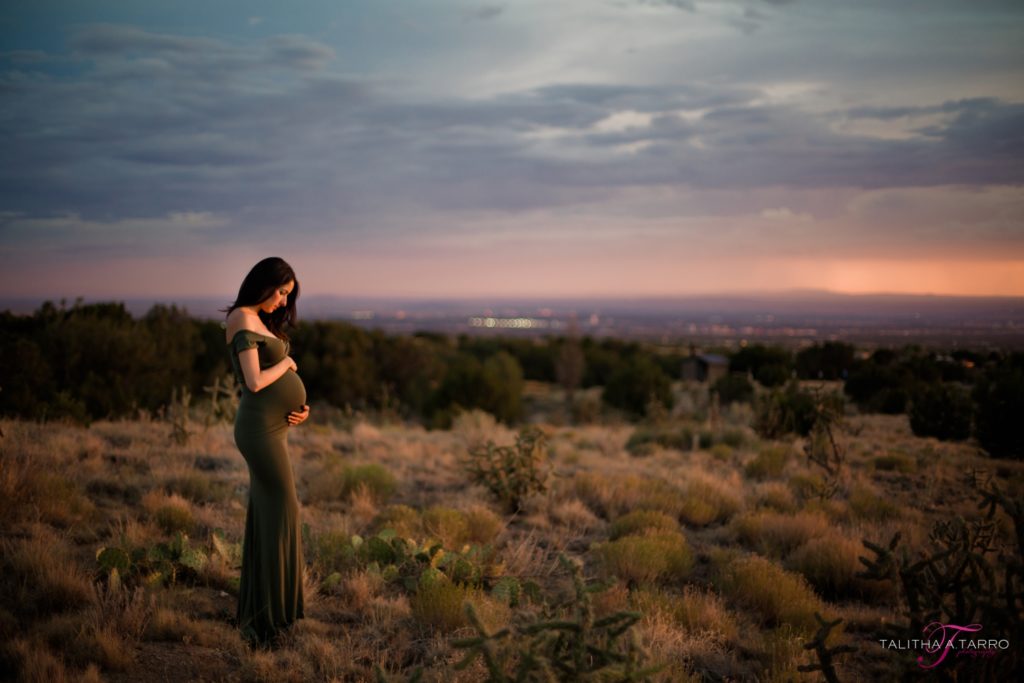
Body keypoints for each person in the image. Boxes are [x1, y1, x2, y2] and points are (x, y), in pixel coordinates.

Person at [221, 256, 310, 646]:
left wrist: (298, 410)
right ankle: (269, 616)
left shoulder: (260, 319)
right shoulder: (241, 317)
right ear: (263, 284)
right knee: (283, 507)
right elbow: (254, 382)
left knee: (269, 510)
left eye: (288, 296)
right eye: (281, 292)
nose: (282, 301)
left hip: (274, 427)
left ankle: (266, 610)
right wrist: (288, 363)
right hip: (257, 429)